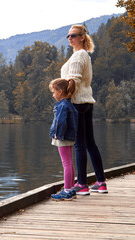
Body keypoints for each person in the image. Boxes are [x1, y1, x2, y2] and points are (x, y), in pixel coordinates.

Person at [61, 25, 108, 195]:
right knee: (90, 143)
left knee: (80, 145)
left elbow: (73, 81)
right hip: (87, 102)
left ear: (82, 37)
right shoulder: (84, 55)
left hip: (77, 103)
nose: (70, 38)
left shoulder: (78, 56)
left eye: (73, 35)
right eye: (68, 36)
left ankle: (81, 184)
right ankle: (101, 182)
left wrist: (63, 99)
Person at [49, 78, 78, 201]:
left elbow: (61, 122)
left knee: (66, 163)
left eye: (54, 91)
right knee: (69, 163)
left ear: (60, 92)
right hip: (70, 136)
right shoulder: (70, 104)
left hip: (63, 136)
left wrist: (57, 134)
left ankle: (67, 190)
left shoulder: (62, 105)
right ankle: (70, 189)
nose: (53, 94)